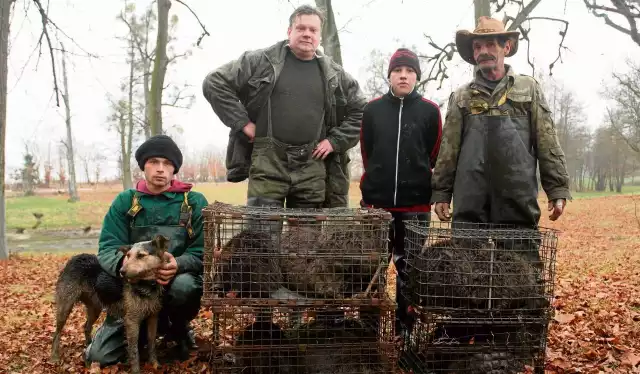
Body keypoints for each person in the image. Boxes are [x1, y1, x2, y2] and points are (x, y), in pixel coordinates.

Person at [202, 4, 366, 209]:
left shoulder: (335, 74)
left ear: (320, 36)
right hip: (267, 163)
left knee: (305, 238)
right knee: (261, 235)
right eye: (301, 28)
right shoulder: (260, 61)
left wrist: (335, 141)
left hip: (312, 165)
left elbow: (362, 110)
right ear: (289, 31)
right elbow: (214, 82)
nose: (307, 34)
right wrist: (242, 123)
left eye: (313, 30)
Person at [431, 16, 572, 232]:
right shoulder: (462, 96)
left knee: (520, 262)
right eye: (477, 47)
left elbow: (547, 141)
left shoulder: (528, 89)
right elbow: (448, 151)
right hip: (470, 202)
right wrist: (441, 193)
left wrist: (557, 188)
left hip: (517, 199)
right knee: (467, 262)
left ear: (506, 47)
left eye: (490, 44)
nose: (483, 51)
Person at [85, 135, 208, 366]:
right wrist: (125, 266)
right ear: (143, 167)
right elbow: (108, 247)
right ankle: (126, 327)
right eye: (154, 162)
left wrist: (178, 264)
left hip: (174, 283)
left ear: (174, 169)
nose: (160, 169)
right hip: (134, 290)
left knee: (186, 287)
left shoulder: (193, 202)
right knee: (100, 358)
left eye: (167, 163)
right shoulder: (126, 201)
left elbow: (203, 250)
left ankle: (179, 328)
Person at [359, 48, 442, 337]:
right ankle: (367, 335)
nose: (403, 75)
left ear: (417, 76)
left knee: (412, 272)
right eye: (398, 71)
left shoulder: (430, 111)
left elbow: (434, 153)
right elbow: (367, 152)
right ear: (390, 75)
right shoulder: (372, 110)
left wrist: (417, 180)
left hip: (415, 206)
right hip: (376, 207)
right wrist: (377, 184)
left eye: (409, 71)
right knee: (370, 270)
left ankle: (404, 334)